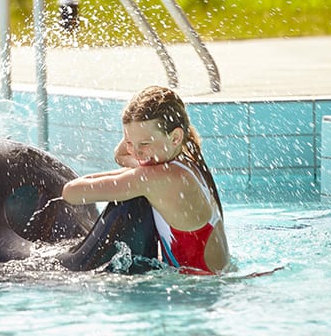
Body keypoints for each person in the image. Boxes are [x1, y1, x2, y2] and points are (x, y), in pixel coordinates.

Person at [62, 85, 230, 274]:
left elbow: (72, 192)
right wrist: (140, 150)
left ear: (175, 137)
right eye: (129, 143)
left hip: (195, 292)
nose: (135, 151)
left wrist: (138, 162)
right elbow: (122, 157)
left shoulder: (157, 179)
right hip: (214, 282)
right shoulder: (186, 162)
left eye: (145, 143)